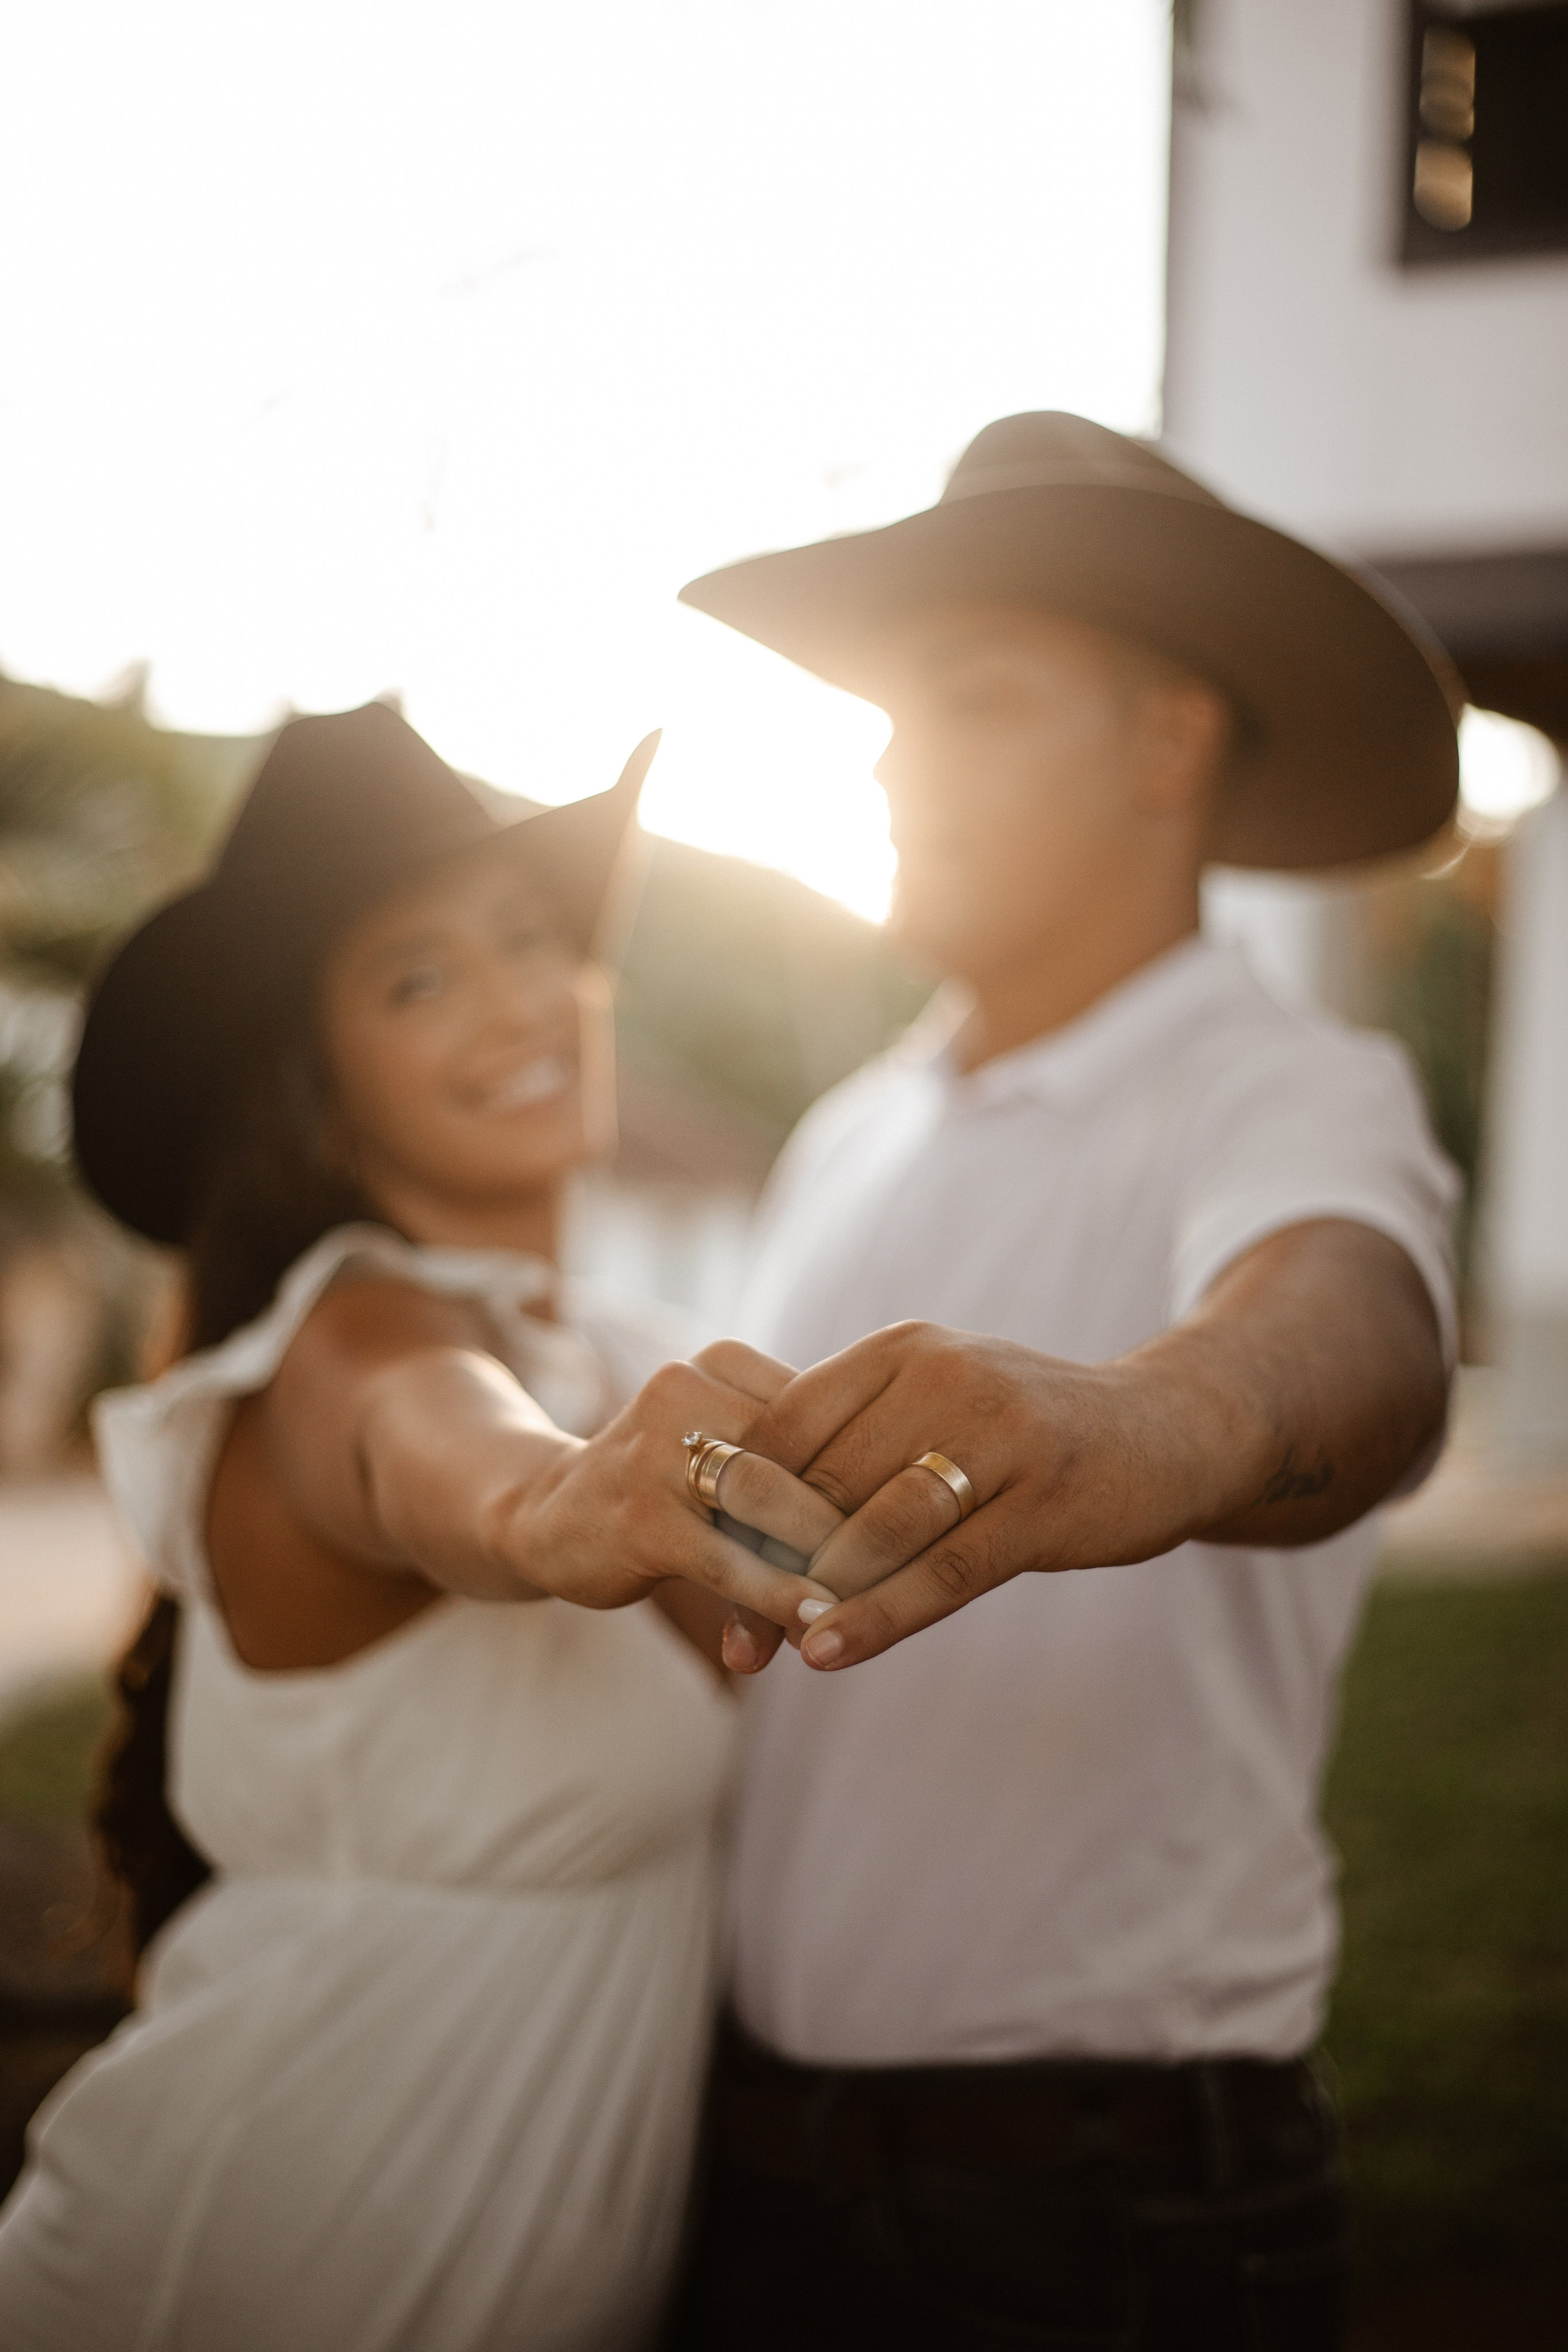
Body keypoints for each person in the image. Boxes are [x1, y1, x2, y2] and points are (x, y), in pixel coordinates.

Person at [668, 413, 1463, 2349]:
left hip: (1096, 2223)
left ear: (1166, 740)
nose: (880, 754)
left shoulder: (1283, 1088)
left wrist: (1156, 1418)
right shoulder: (851, 1132)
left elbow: (1358, 1330)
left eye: (970, 697)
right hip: (748, 2160)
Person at [0, 704, 842, 2352]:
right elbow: (455, 1459)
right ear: (321, 1083)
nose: (519, 999)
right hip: (260, 2265)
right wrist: (552, 1507)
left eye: (533, 942)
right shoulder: (351, 1339)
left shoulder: (600, 1349)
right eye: (419, 976)